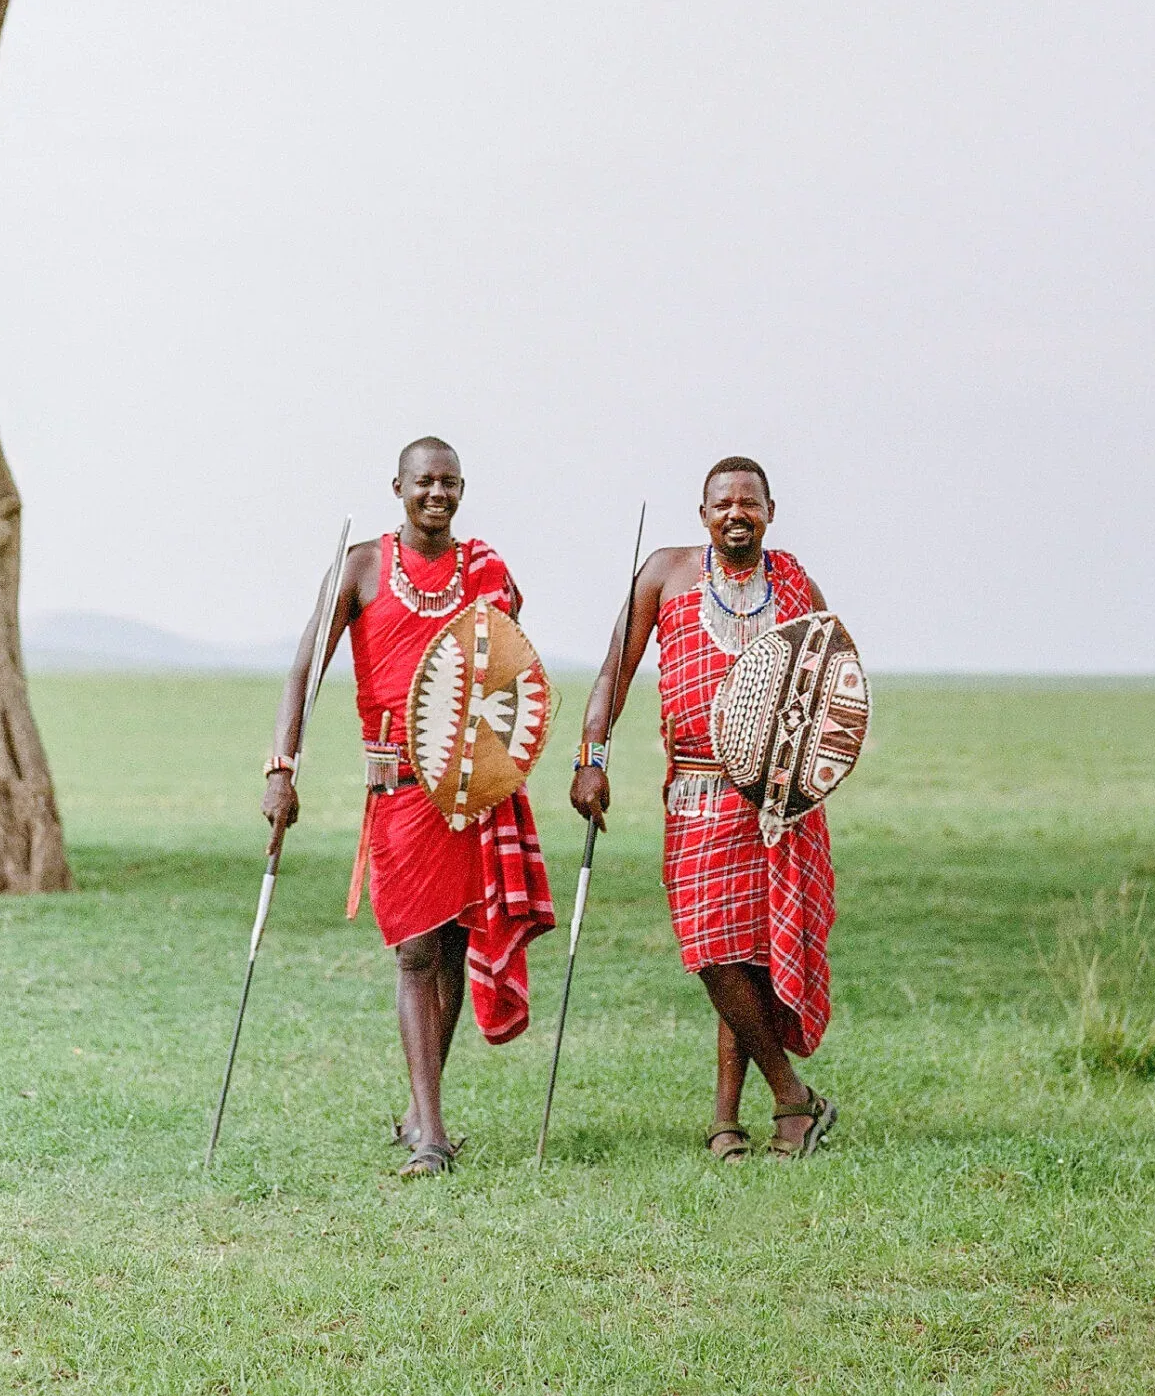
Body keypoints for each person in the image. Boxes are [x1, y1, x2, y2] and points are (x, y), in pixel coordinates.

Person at [263, 437, 552, 1176]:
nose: (437, 494)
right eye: (424, 482)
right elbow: (305, 668)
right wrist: (280, 767)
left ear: (462, 489)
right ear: (397, 486)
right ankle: (429, 1132)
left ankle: (424, 1115)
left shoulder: (486, 571)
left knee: (453, 946)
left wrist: (497, 760)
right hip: (395, 790)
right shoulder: (361, 566)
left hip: (468, 789)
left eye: (449, 483)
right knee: (416, 950)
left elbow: (513, 673)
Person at [570, 457, 837, 1159]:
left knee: (749, 957)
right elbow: (611, 673)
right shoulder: (664, 572)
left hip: (773, 802)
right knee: (711, 949)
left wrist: (806, 772)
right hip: (694, 794)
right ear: (703, 514)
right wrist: (590, 760)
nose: (735, 514)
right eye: (722, 504)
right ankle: (794, 1096)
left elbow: (832, 679)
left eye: (749, 503)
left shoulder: (794, 581)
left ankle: (730, 1120)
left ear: (770, 512)